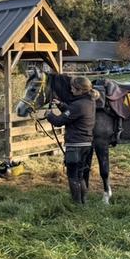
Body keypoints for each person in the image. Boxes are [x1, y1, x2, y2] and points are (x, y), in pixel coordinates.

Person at [46, 76, 98, 204]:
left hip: (75, 146)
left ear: (80, 90)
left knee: (73, 177)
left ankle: (76, 205)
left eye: (73, 88)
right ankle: (83, 202)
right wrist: (61, 105)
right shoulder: (90, 102)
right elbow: (72, 114)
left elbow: (59, 121)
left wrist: (49, 115)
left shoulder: (77, 105)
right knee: (80, 176)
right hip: (86, 144)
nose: (71, 90)